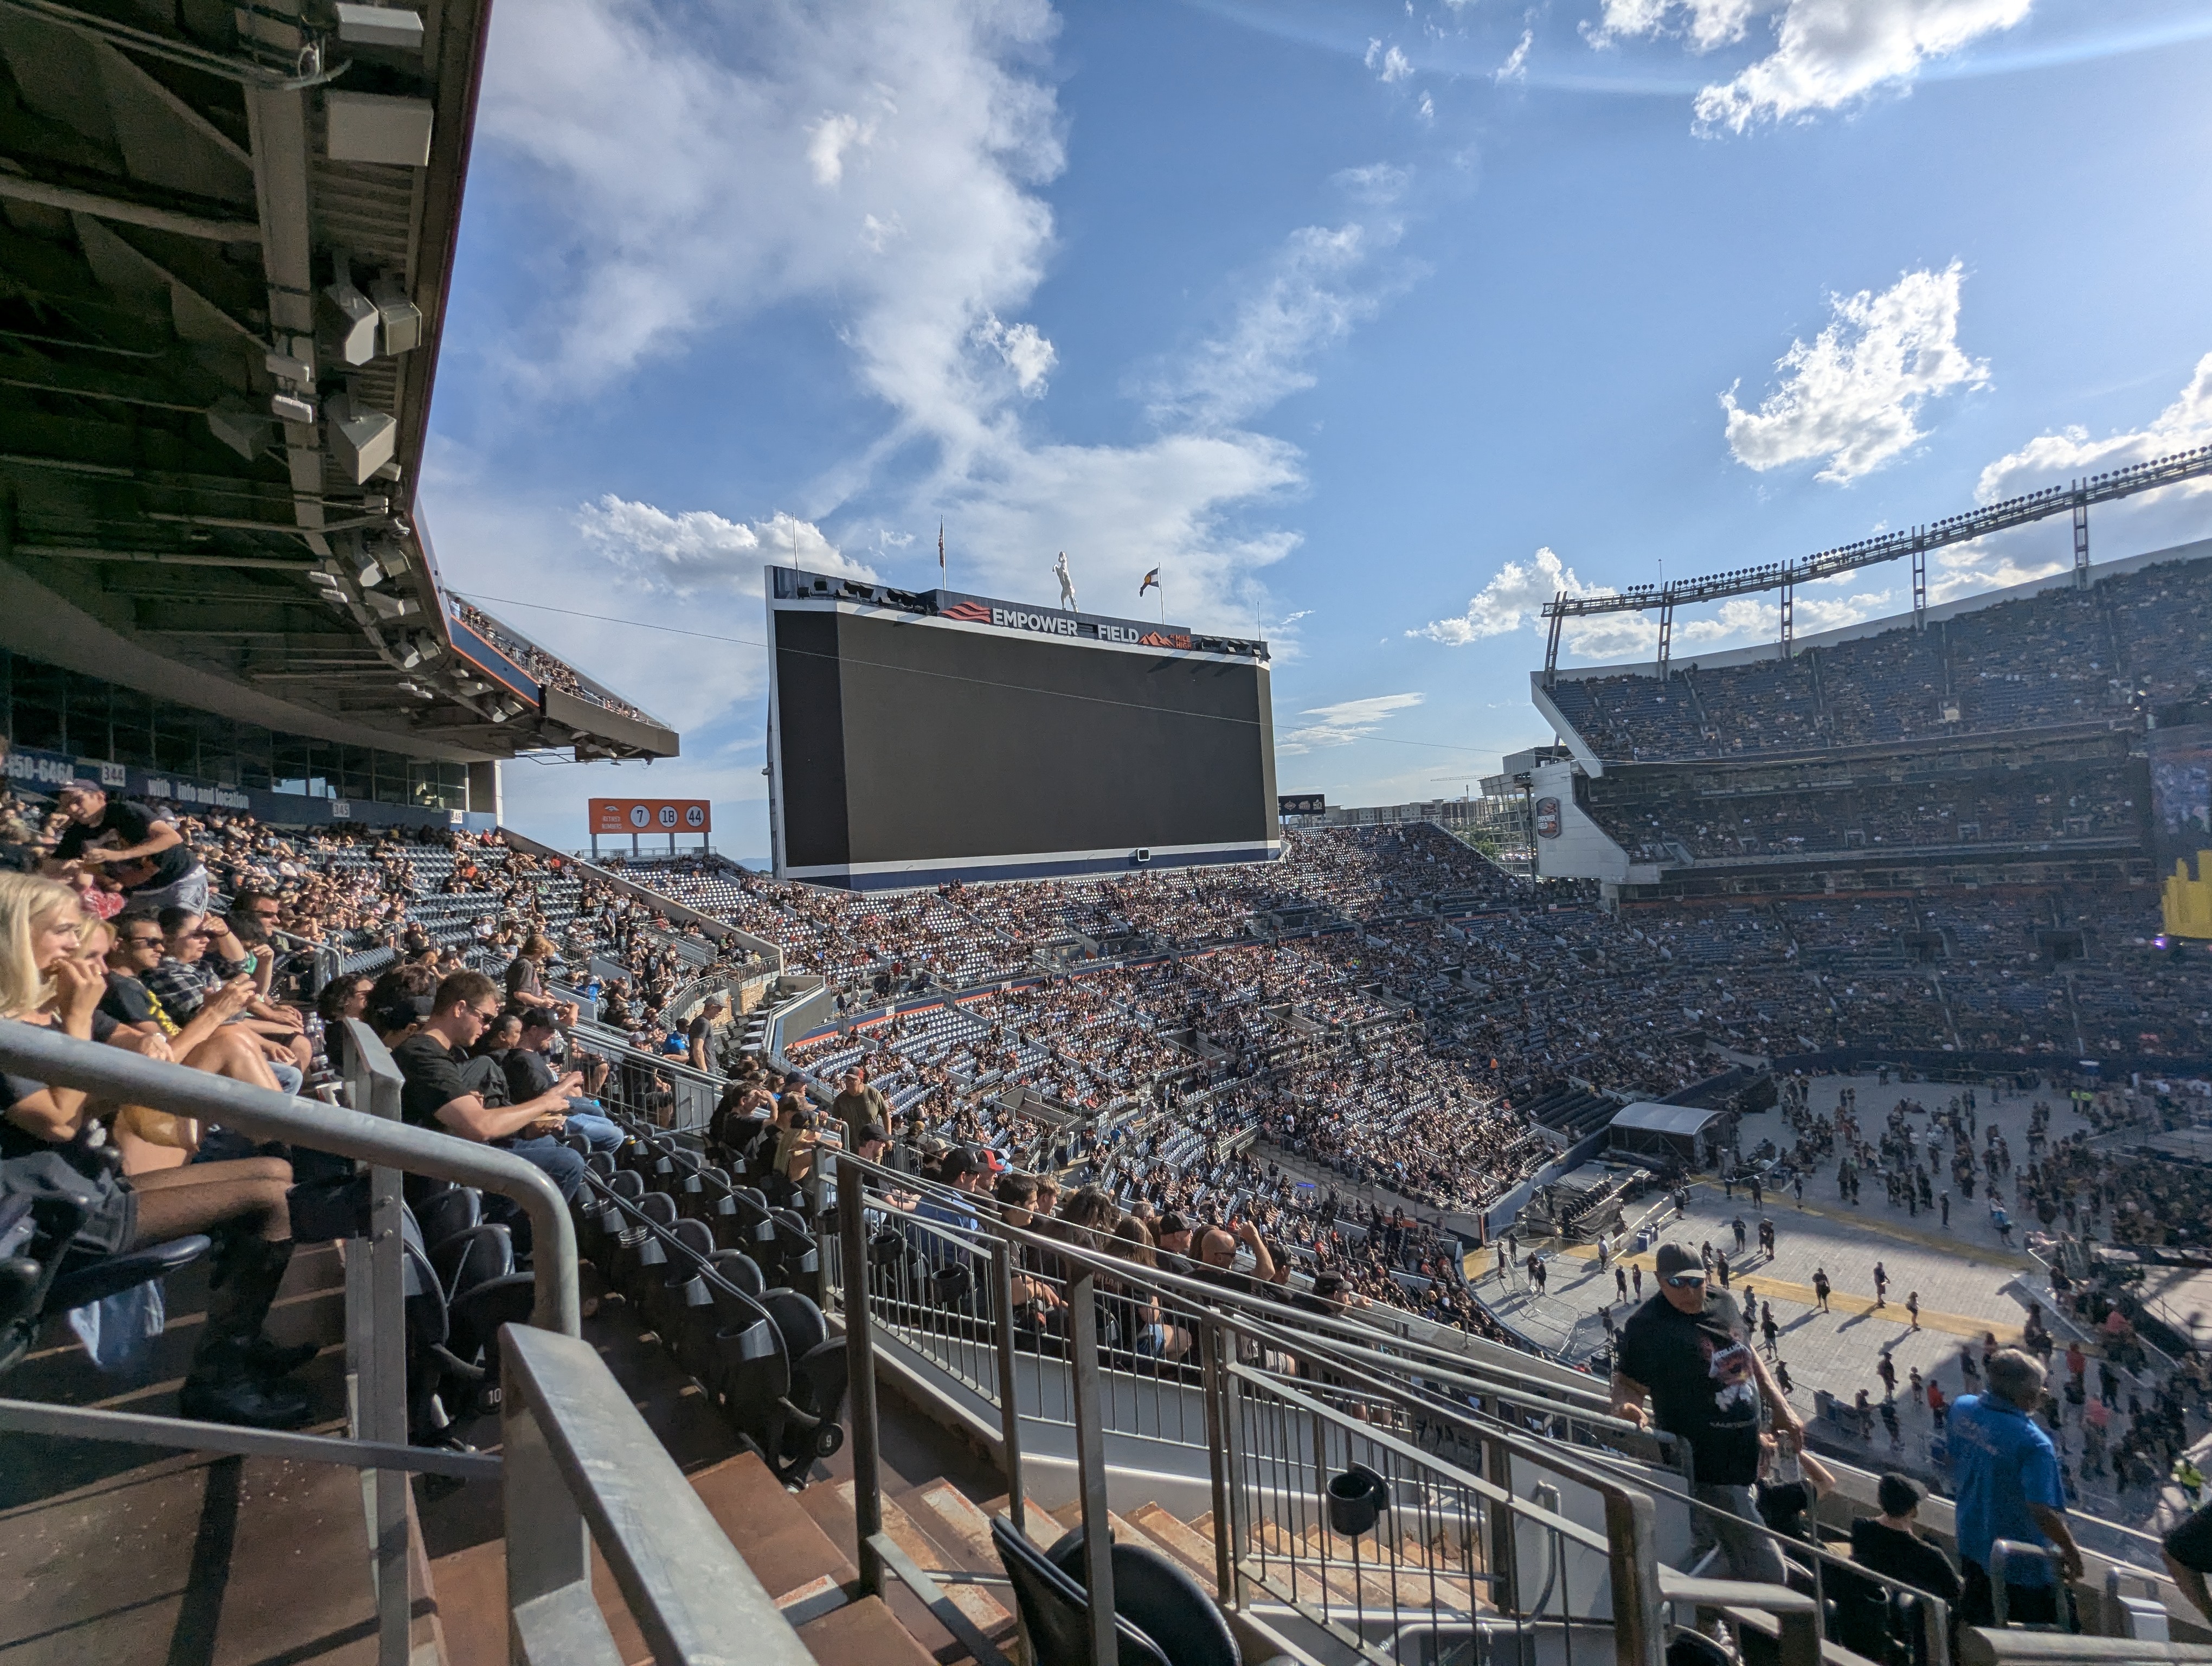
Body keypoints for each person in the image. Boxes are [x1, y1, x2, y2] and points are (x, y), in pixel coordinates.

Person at [0, 873, 310, 1427]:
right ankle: (222, 1377)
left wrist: (141, 1040)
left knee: (272, 1172)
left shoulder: (47, 1006)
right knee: (267, 1203)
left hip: (96, 1185)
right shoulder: (14, 1029)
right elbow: (58, 1123)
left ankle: (242, 1337)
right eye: (63, 932)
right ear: (17, 936)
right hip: (58, 1216)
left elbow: (134, 1048)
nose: (75, 946)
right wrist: (77, 1019)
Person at [1611, 1243, 1799, 1587]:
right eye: (1677, 1283)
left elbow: (1747, 1352)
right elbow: (1627, 1383)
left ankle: (1704, 1616)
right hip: (1704, 1468)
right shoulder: (1647, 1326)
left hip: (1747, 1457)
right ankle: (1694, 1618)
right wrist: (1625, 1406)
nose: (1688, 1291)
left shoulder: (1724, 1302)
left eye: (1695, 1281)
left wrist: (1780, 1407)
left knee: (1725, 1552)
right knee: (1769, 1571)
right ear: (1659, 1280)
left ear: (1708, 1276)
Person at [391, 971, 587, 1202]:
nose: (487, 1028)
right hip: (438, 1174)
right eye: (485, 1018)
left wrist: (526, 1128)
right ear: (459, 1009)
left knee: (545, 1143)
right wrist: (547, 1101)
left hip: (451, 1152)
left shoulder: (438, 1052)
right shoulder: (424, 1055)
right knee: (568, 1163)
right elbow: (480, 1126)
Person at [1951, 1348, 2082, 1627]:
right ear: (2025, 1395)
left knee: (1981, 1623)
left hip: (1972, 1541)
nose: (2044, 1393)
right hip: (2021, 1566)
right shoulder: (2034, 1444)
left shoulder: (1961, 1408)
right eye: (2040, 1389)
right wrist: (2070, 1549)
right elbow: (2041, 1511)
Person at [42, 782, 208, 914]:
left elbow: (172, 837)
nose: (72, 809)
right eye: (66, 805)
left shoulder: (125, 811)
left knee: (182, 931)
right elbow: (54, 863)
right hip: (141, 892)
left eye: (77, 801)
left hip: (180, 879)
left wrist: (118, 855)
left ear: (100, 797)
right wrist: (70, 865)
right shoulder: (76, 832)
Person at [503, 1009, 623, 1152]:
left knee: (606, 1120)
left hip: (560, 1111)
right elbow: (545, 1100)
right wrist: (570, 1082)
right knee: (615, 1135)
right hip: (551, 1119)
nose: (553, 1036)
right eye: (549, 1031)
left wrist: (561, 1081)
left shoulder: (532, 1055)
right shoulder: (522, 1061)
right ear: (534, 1030)